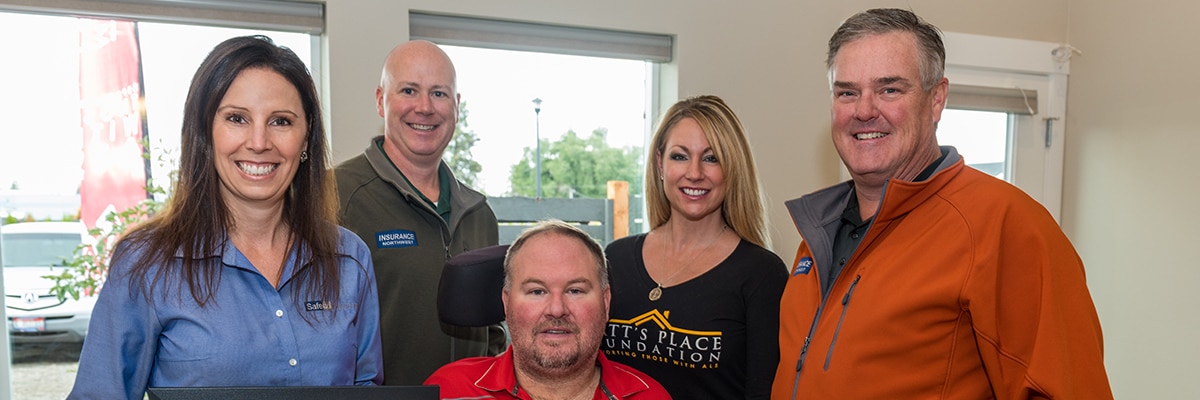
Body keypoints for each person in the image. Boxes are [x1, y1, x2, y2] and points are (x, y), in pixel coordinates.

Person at [773, 8, 1112, 399]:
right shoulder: (819, 235)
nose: (864, 110)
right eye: (847, 92)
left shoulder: (1004, 225)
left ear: (937, 101)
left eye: (890, 89)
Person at [68, 35, 383, 399]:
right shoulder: (146, 264)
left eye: (281, 121)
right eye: (237, 118)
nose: (259, 142)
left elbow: (368, 390)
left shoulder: (349, 259)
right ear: (205, 132)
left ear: (306, 137)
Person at [334, 39, 502, 385]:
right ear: (381, 101)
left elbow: (493, 329)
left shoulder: (479, 214)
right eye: (409, 90)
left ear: (456, 106)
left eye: (439, 94)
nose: (424, 107)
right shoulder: (335, 195)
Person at [601, 95, 787, 399]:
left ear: (732, 169)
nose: (695, 172)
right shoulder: (614, 260)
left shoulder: (762, 274)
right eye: (680, 156)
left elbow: (763, 391)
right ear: (660, 163)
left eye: (711, 158)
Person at [425, 220, 672, 399]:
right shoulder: (448, 390)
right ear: (506, 302)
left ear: (605, 303)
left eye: (575, 290)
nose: (556, 309)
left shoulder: (649, 396)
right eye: (537, 291)